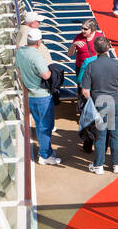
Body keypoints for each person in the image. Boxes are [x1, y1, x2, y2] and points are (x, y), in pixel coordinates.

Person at [81, 36, 118, 174]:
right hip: (116, 104)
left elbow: (85, 90)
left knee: (100, 136)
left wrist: (92, 101)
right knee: (115, 135)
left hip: (99, 105)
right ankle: (117, 165)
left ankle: (99, 165)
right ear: (108, 48)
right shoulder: (117, 64)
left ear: (95, 49)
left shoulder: (91, 66)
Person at [15, 28, 61, 165]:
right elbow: (46, 75)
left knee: (41, 124)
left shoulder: (20, 53)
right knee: (45, 126)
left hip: (30, 94)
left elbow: (18, 70)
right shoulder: (36, 55)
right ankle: (44, 155)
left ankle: (47, 150)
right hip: (42, 95)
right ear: (38, 42)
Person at [68, 17, 101, 89]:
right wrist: (74, 45)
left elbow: (105, 52)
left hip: (95, 68)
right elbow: (70, 54)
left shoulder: (99, 37)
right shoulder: (78, 37)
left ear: (92, 30)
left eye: (85, 29)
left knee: (95, 88)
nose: (82, 31)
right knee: (81, 88)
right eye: (82, 28)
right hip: (81, 68)